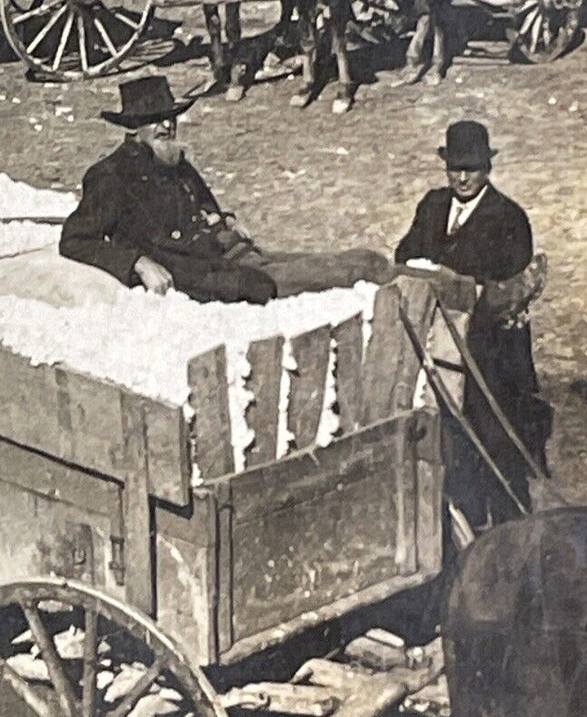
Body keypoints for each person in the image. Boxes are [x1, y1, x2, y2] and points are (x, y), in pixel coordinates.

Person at [60, 76, 391, 305]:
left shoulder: (173, 159)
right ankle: (433, 288)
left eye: (169, 117)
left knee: (362, 258)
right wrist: (137, 263)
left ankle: (432, 279)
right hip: (211, 274)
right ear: (132, 127)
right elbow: (75, 239)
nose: (166, 126)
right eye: (155, 119)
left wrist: (227, 221)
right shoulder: (112, 176)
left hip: (237, 254)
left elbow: (204, 205)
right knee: (355, 271)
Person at [395, 119, 551, 529]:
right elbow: (405, 252)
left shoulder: (509, 218)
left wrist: (457, 284)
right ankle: (465, 523)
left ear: (488, 168)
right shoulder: (432, 206)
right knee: (451, 440)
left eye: (472, 168)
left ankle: (512, 529)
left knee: (495, 443)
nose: (462, 177)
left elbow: (507, 290)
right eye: (455, 168)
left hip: (491, 354)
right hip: (442, 346)